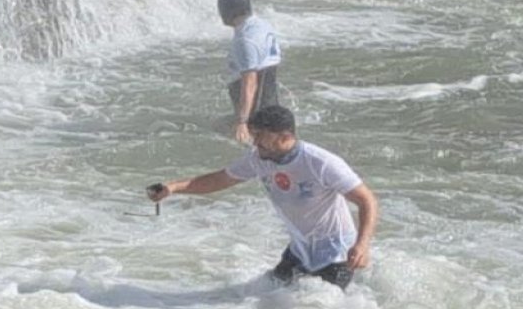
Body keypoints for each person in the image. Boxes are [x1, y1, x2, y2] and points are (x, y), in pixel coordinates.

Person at [147, 106, 378, 290]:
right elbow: (220, 179)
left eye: (260, 136)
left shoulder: (321, 163)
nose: (255, 142)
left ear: (284, 136)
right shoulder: (258, 158)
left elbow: (367, 200)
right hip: (300, 249)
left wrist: (362, 245)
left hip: (336, 253)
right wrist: (173, 188)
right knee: (267, 298)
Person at [218, 0, 282, 145]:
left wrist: (242, 121)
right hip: (269, 97)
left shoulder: (245, 40)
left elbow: (250, 82)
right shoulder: (262, 25)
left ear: (227, 12)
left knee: (246, 142)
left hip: (255, 106)